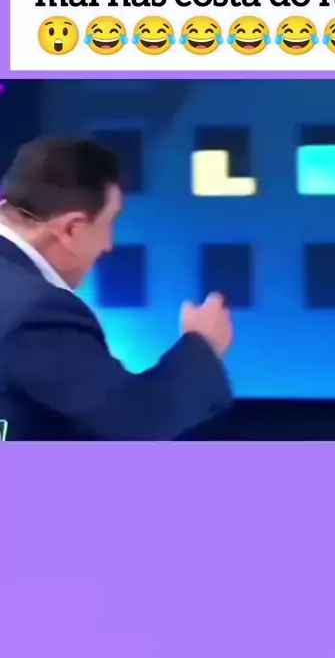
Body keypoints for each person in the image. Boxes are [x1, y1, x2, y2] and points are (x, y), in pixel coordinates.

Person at [0, 136, 234, 440]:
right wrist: (203, 346)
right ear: (72, 228)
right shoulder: (36, 313)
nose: (108, 245)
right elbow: (135, 422)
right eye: (110, 222)